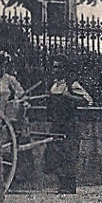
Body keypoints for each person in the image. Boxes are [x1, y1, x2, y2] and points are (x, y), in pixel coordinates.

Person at [42, 55, 93, 194]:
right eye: (54, 67)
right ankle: (61, 185)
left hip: (69, 125)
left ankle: (69, 187)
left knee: (69, 154)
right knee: (55, 154)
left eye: (58, 67)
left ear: (64, 69)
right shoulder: (53, 85)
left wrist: (69, 96)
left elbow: (88, 100)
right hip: (56, 125)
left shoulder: (72, 85)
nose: (55, 70)